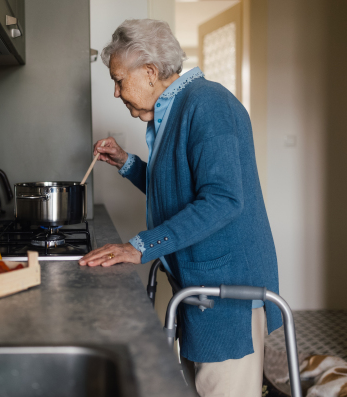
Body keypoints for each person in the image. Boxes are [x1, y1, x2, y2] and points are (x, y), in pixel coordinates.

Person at [78, 19, 282, 397]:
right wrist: (127, 162)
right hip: (201, 286)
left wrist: (139, 245)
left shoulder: (208, 104)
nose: (116, 92)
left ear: (151, 72)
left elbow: (222, 200)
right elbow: (178, 190)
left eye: (119, 79)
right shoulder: (175, 111)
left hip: (226, 293)